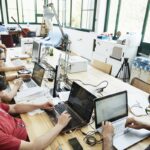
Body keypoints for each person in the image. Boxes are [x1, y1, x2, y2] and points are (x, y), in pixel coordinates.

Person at [0, 101, 71, 150]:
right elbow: (34, 147)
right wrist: (60, 125)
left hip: (25, 126)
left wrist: (41, 106)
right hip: (28, 141)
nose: (3, 94)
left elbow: (14, 108)